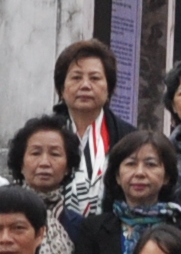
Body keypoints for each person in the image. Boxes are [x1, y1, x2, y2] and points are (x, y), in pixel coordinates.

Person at [71, 128, 181, 254]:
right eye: (130, 164)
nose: (140, 173)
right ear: (117, 176)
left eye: (151, 164)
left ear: (166, 176)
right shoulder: (93, 229)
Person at [51, 37, 132, 220]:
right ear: (62, 88)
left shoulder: (129, 138)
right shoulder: (42, 135)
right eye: (76, 77)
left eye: (95, 78)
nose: (85, 85)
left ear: (109, 88)